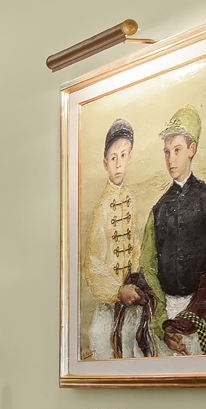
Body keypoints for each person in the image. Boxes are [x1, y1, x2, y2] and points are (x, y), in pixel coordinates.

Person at [139, 104, 206, 355]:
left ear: (192, 150)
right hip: (165, 311)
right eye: (167, 151)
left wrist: (192, 315)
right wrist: (163, 324)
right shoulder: (158, 209)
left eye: (177, 150)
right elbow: (148, 267)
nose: (171, 159)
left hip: (203, 312)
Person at [81, 119, 149, 358]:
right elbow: (93, 265)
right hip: (109, 305)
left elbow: (136, 247)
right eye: (113, 158)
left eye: (123, 155)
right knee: (103, 340)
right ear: (105, 163)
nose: (118, 164)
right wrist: (118, 291)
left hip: (133, 303)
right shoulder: (102, 208)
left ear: (130, 156)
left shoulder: (131, 198)